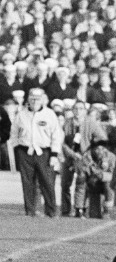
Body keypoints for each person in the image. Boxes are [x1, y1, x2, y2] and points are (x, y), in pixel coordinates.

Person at [12, 87, 63, 217]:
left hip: (44, 153)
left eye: (37, 99)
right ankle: (30, 211)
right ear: (28, 99)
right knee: (27, 183)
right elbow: (14, 134)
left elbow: (56, 135)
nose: (35, 101)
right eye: (32, 98)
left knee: (47, 182)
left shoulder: (49, 114)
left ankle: (51, 211)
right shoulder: (21, 114)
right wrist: (17, 149)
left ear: (43, 100)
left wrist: (54, 154)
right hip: (25, 152)